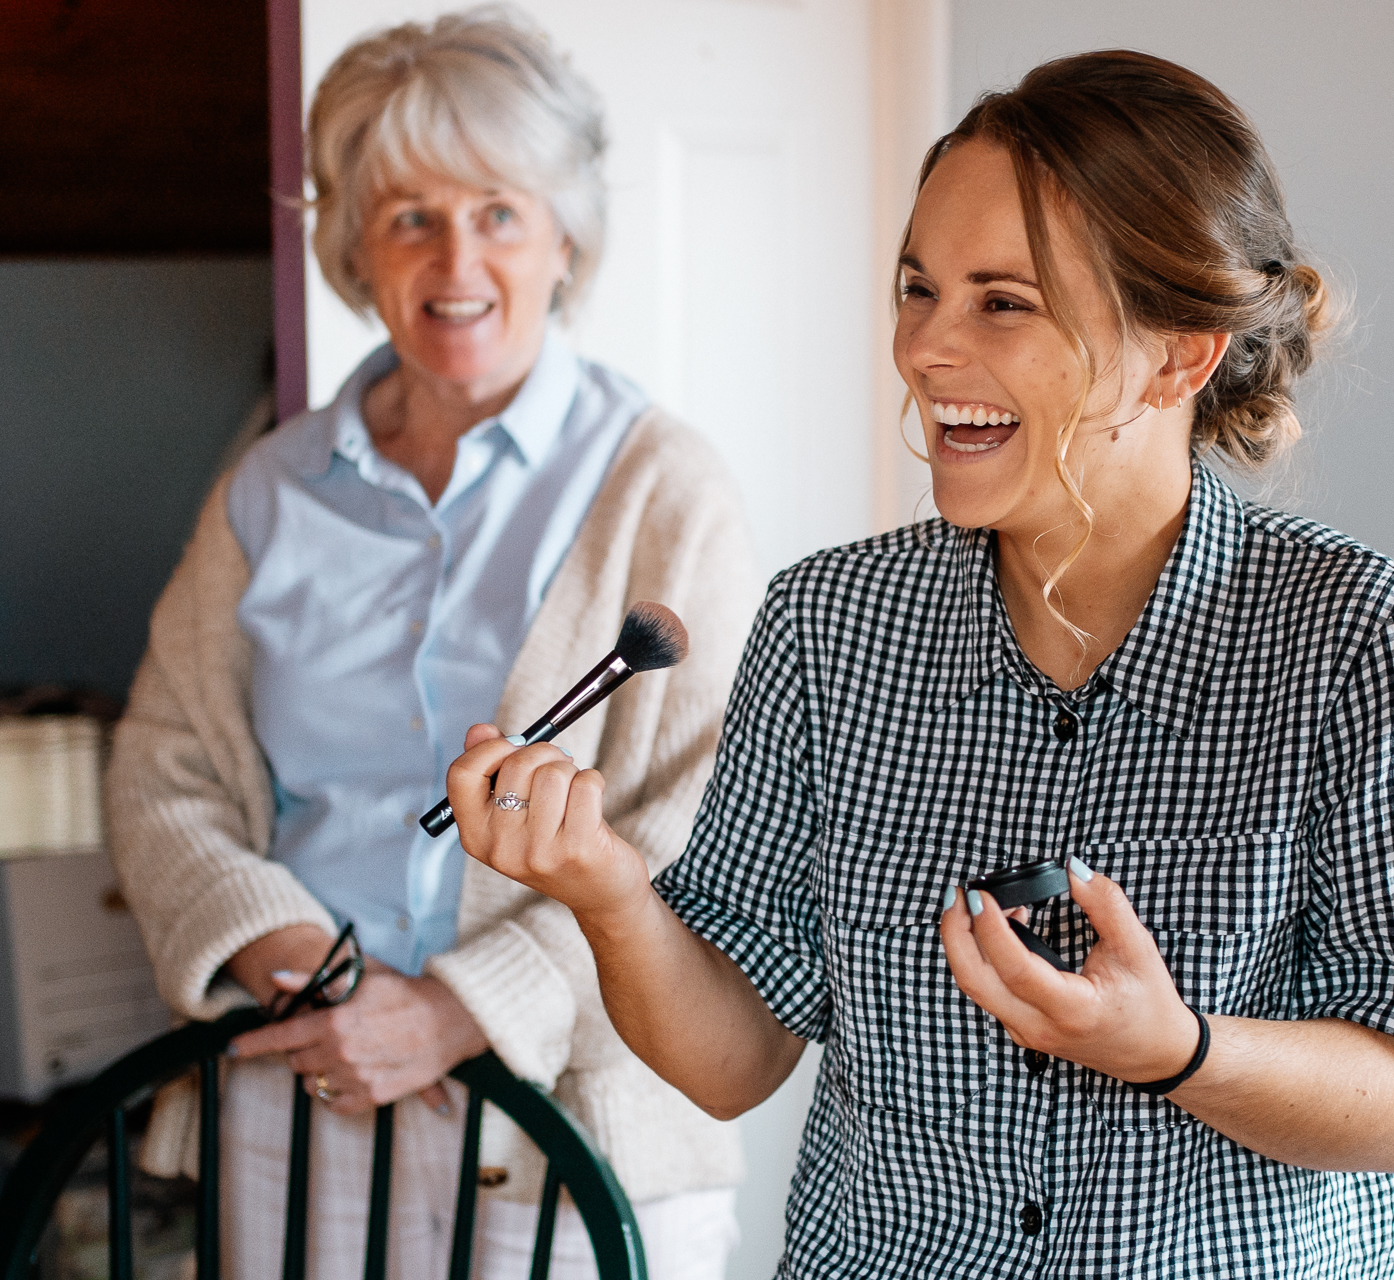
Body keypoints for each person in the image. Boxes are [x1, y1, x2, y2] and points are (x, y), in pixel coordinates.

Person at [447, 50, 1394, 1277]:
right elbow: (735, 1063)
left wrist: (1174, 1046)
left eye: (1002, 301)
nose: (926, 350)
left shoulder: (1363, 638)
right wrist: (608, 891)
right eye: (917, 288)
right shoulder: (827, 623)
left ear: (1179, 355)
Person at [105, 10, 755, 1278]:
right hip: (300, 1092)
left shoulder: (663, 487)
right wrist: (295, 959)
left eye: (499, 211)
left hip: (565, 1118)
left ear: (565, 235)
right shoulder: (270, 487)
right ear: (353, 244)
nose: (456, 257)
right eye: (408, 214)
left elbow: (709, 823)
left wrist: (465, 1007)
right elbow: (161, 768)